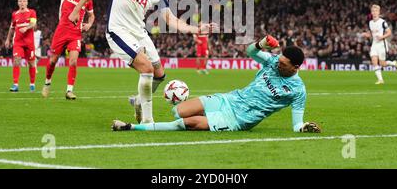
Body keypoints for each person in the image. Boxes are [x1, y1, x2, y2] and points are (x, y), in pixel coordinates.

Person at [68, 0, 216, 124]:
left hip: (139, 32)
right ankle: (147, 120)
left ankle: (139, 100)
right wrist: (77, 9)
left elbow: (170, 19)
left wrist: (196, 29)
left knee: (160, 74)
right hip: (118, 30)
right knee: (146, 68)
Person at [111, 35, 321, 133]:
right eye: (279, 60)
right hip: (229, 98)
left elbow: (296, 124)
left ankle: (132, 127)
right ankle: (209, 120)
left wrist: (303, 127)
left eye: (284, 64)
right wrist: (261, 44)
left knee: (187, 124)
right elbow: (251, 52)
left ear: (295, 67)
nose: (278, 64)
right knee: (178, 111)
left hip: (238, 118)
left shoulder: (297, 90)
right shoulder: (274, 61)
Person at [41, 0, 95, 100]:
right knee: (52, 61)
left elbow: (91, 16)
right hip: (61, 31)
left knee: (73, 61)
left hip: (75, 34)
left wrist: (89, 24)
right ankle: (47, 82)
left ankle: (69, 90)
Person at [4, 0, 37, 92]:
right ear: (18, 3)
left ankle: (32, 84)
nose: (22, 3)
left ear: (27, 2)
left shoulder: (32, 12)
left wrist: (26, 28)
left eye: (24, 1)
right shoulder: (15, 14)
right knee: (16, 60)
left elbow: (33, 24)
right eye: (20, 1)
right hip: (18, 42)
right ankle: (15, 85)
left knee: (31, 64)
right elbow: (12, 27)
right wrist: (8, 39)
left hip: (29, 43)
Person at [361, 4, 397, 85]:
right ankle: (380, 80)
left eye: (376, 11)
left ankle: (393, 63)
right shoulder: (370, 23)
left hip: (382, 44)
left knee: (382, 64)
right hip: (374, 44)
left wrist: (382, 37)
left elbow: (389, 32)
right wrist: (366, 34)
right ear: (371, 12)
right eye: (373, 11)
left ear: (379, 12)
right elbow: (371, 34)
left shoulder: (382, 22)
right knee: (374, 61)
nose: (374, 12)